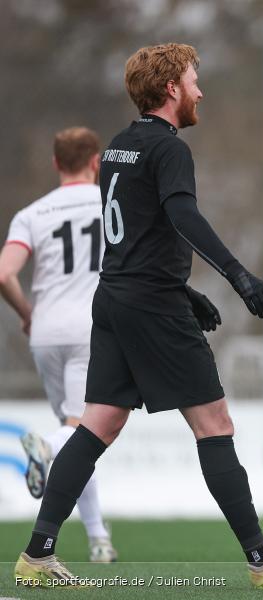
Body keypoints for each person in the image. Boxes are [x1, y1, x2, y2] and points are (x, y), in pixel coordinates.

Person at [13, 43, 263, 590]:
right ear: (170, 90)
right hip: (151, 307)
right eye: (193, 80)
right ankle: (261, 558)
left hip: (115, 299)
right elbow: (182, 214)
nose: (200, 90)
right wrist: (237, 276)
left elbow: (135, 235)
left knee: (98, 425)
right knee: (215, 425)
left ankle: (37, 553)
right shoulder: (169, 149)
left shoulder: (117, 148)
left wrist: (185, 291)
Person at [0, 127, 117, 563]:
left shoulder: (32, 214)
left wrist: (26, 314)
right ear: (95, 162)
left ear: (55, 164)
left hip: (45, 333)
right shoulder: (110, 204)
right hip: (93, 328)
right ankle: (45, 446)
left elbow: (4, 273)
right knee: (81, 434)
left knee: (78, 436)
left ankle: (98, 537)